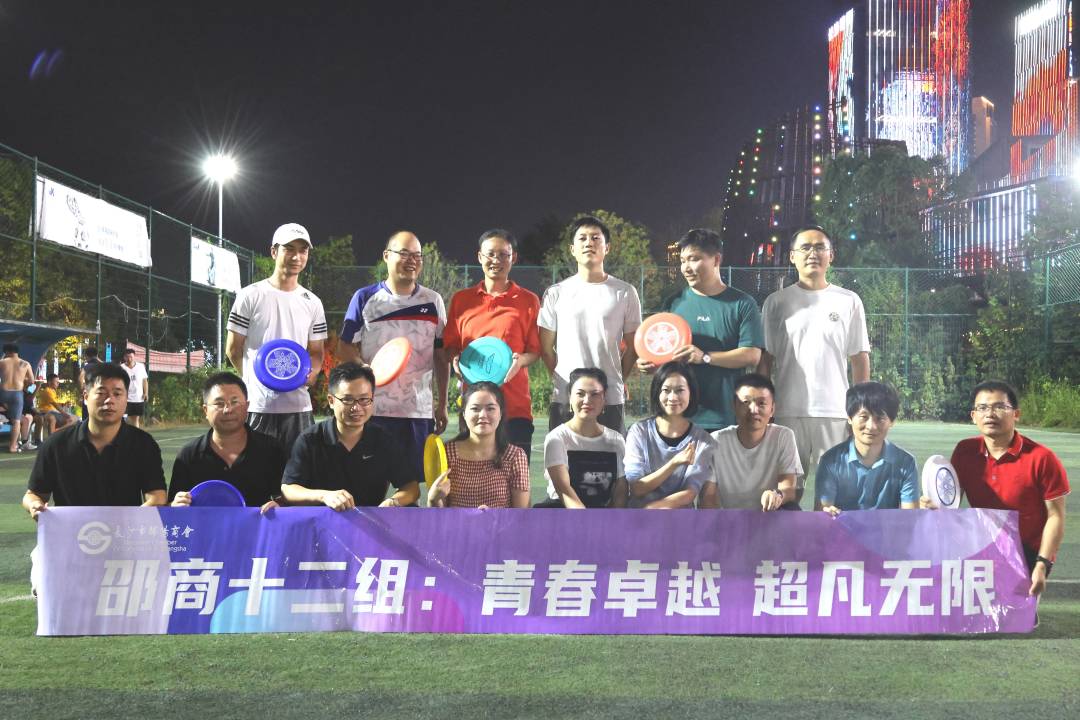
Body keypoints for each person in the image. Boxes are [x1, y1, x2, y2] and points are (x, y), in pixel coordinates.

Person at [757, 225, 870, 493]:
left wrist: (860, 408)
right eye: (805, 247)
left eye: (820, 247)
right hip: (787, 412)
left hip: (835, 412)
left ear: (831, 255)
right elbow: (765, 360)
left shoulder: (849, 301)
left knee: (834, 495)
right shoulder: (775, 303)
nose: (813, 253)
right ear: (792, 256)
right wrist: (764, 408)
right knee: (786, 493)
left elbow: (859, 358)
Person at [931, 381, 1069, 596]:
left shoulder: (1042, 458)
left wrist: (1042, 564)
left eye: (999, 407)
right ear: (973, 416)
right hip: (982, 546)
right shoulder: (965, 450)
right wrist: (934, 505)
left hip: (1026, 552)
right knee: (967, 608)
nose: (990, 414)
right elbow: (951, 503)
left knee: (1016, 612)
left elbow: (1056, 516)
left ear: (1016, 414)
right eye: (982, 408)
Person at [338, 230, 450, 483]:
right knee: (367, 486)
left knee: (410, 489)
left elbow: (440, 356)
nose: (412, 260)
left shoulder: (433, 301)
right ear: (386, 256)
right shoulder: (365, 297)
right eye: (404, 253)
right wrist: (364, 369)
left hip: (416, 413)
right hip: (373, 411)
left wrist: (442, 404)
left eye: (417, 256)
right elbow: (344, 347)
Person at [639, 229, 763, 432]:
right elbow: (667, 356)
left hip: (725, 418)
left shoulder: (742, 303)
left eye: (694, 259)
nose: (686, 267)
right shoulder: (673, 303)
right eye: (682, 261)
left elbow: (752, 355)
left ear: (716, 260)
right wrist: (653, 365)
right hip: (680, 418)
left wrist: (704, 357)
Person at [226, 222, 327, 450]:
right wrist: (254, 378)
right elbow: (233, 349)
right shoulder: (249, 295)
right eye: (289, 249)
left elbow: (316, 352)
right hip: (258, 406)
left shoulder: (313, 302)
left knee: (299, 470)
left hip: (299, 408)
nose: (297, 256)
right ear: (274, 252)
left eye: (303, 250)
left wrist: (311, 375)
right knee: (257, 469)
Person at [22, 362, 167, 520]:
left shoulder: (143, 444)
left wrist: (131, 521)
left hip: (124, 532)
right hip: (70, 531)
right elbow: (33, 494)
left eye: (117, 394)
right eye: (101, 393)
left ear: (126, 399)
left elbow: (157, 496)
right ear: (86, 397)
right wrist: (34, 504)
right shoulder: (56, 444)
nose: (109, 400)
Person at [443, 229, 541, 461]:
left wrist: (520, 361)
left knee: (517, 478)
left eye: (503, 254)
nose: (496, 260)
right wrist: (455, 359)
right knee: (472, 478)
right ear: (480, 257)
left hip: (515, 408)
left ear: (513, 258)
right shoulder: (462, 300)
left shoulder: (529, 300)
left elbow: (534, 351)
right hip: (474, 409)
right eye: (490, 254)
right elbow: (451, 346)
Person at [539, 215, 642, 434]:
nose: (589, 243)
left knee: (612, 456)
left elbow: (634, 347)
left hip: (610, 397)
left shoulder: (625, 292)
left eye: (596, 238)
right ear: (572, 249)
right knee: (561, 456)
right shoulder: (556, 293)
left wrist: (616, 379)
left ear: (607, 248)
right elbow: (546, 349)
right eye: (582, 238)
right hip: (566, 398)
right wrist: (563, 381)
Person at [281, 362, 419, 510]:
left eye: (364, 399)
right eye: (347, 400)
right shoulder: (310, 439)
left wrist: (393, 502)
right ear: (331, 401)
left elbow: (411, 487)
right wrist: (324, 496)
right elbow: (288, 490)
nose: (356, 407)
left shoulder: (383, 439)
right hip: (323, 520)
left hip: (370, 521)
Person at [168, 372, 287, 512]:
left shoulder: (272, 450)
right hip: (206, 526)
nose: (228, 409)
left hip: (259, 526)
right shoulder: (188, 455)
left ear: (247, 406)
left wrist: (281, 507)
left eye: (235, 402)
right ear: (205, 410)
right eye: (219, 403)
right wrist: (175, 505)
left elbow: (285, 498)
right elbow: (171, 506)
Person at [700, 373, 802, 511]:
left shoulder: (783, 436)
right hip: (731, 518)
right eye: (746, 402)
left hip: (769, 515)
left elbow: (788, 488)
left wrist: (777, 495)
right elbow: (708, 496)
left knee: (792, 508)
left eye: (761, 403)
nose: (753, 410)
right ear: (734, 406)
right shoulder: (715, 441)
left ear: (772, 409)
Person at [814, 382, 918, 515]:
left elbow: (910, 517)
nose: (871, 426)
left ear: (892, 421)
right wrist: (827, 514)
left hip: (887, 529)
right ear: (849, 418)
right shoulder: (831, 462)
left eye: (879, 418)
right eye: (864, 417)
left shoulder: (906, 463)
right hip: (842, 528)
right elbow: (822, 514)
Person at [624, 361, 714, 509]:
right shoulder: (638, 431)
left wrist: (654, 509)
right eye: (666, 390)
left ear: (691, 393)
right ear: (657, 392)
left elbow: (690, 492)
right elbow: (636, 488)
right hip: (639, 517)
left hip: (678, 519)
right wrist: (674, 463)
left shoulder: (703, 440)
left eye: (680, 390)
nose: (672, 397)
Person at [427, 381, 530, 509]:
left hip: (501, 523)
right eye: (475, 409)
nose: (482, 415)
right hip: (457, 523)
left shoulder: (515, 456)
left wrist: (492, 517)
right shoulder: (446, 453)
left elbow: (521, 515)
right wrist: (433, 499)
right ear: (464, 414)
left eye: (490, 408)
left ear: (500, 414)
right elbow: (438, 515)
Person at [538, 367, 628, 508]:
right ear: (570, 397)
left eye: (595, 394)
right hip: (563, 512)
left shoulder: (616, 440)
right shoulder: (556, 438)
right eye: (580, 394)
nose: (587, 400)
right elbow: (564, 491)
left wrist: (612, 519)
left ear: (604, 398)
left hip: (602, 515)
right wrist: (587, 521)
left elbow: (621, 490)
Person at [0, 342, 34, 453]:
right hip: (17, 394)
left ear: (7, 352)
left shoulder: (2, 362)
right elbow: (32, 381)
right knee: (16, 421)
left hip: (3, 392)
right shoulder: (25, 363)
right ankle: (13, 446)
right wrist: (24, 384)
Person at [120, 347, 149, 428]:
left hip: (138, 397)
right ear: (124, 357)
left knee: (135, 419)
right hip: (125, 398)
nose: (129, 359)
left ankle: (135, 434)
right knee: (127, 418)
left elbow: (144, 381)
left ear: (134, 357)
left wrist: (146, 393)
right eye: (127, 357)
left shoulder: (140, 366)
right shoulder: (121, 368)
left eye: (131, 357)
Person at [77, 346, 100, 420]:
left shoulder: (87, 366)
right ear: (97, 355)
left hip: (89, 394)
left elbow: (80, 379)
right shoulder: (103, 365)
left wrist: (81, 390)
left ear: (86, 356)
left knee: (86, 417)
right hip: (101, 394)